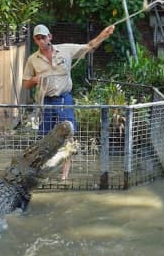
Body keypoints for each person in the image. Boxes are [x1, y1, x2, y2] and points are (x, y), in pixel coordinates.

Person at [23, 24, 114, 178]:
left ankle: (64, 176)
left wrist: (103, 35)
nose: (41, 41)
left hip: (64, 99)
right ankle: (39, 170)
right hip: (46, 101)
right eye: (38, 38)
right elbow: (26, 84)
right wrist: (35, 79)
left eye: (43, 37)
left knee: (68, 136)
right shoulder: (33, 60)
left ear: (49, 37)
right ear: (35, 40)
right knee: (43, 137)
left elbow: (89, 47)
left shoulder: (65, 50)